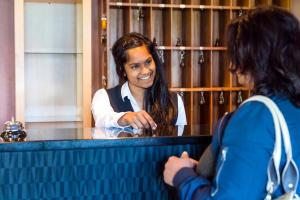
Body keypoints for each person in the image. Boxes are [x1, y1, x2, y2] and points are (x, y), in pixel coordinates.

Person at [163, 6, 300, 199]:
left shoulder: (256, 116)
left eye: (236, 53)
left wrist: (181, 176)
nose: (230, 66)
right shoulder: (290, 106)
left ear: (254, 54)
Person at [92, 32, 187, 136]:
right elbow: (102, 119)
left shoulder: (174, 100)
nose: (145, 71)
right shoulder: (103, 96)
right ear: (122, 70)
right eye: (135, 66)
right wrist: (125, 117)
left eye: (148, 62)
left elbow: (180, 142)